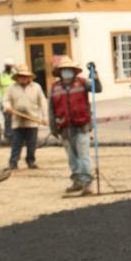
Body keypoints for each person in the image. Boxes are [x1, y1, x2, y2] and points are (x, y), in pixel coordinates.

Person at [48, 58, 102, 196]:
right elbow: (51, 110)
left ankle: (87, 183)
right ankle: (77, 181)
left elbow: (98, 89)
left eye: (69, 70)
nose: (67, 72)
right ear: (60, 72)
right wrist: (53, 128)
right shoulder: (55, 88)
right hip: (64, 128)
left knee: (84, 156)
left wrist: (94, 74)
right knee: (72, 158)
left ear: (73, 71)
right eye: (64, 70)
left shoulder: (83, 83)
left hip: (81, 126)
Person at [3, 64, 47, 170]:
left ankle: (30, 161)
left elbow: (43, 102)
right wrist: (7, 107)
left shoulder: (36, 87)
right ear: (17, 77)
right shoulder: (11, 88)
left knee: (32, 143)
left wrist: (45, 116)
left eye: (25, 76)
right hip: (17, 120)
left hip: (32, 119)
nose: (23, 78)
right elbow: (6, 100)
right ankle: (13, 163)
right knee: (16, 143)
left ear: (29, 77)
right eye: (21, 76)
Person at [0, 57, 17, 141]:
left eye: (10, 66)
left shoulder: (16, 74)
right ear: (5, 66)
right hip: (5, 100)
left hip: (15, 99)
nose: (9, 67)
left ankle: (16, 134)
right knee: (7, 118)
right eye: (7, 66)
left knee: (16, 118)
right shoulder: (0, 75)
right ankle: (8, 134)